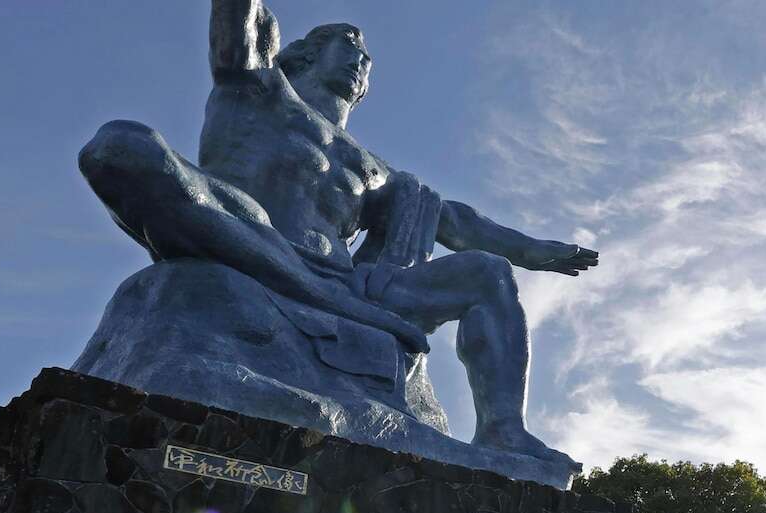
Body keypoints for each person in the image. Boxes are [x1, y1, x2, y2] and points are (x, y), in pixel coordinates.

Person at [77, 0, 598, 469]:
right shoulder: (257, 88)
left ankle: (504, 431)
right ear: (302, 55)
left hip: (343, 285)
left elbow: (455, 222)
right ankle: (281, 276)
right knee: (122, 146)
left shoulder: (372, 170)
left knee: (488, 273)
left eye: (368, 58)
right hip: (246, 228)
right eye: (349, 44)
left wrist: (533, 250)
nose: (361, 59)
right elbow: (237, 22)